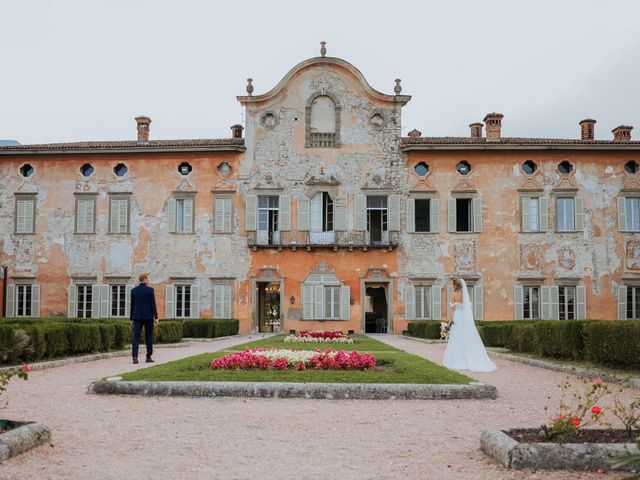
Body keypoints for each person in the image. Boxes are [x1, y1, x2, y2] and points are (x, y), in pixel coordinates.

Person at [443, 278, 496, 372]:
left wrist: (449, 322)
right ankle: (470, 358)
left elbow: (452, 310)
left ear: (455, 285)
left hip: (458, 317)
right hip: (465, 318)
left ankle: (459, 359)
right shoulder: (465, 295)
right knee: (467, 337)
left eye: (453, 284)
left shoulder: (454, 294)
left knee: (457, 338)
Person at [130, 273, 158, 364]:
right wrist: (156, 316)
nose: (148, 280)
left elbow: (132, 305)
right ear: (145, 279)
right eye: (147, 279)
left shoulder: (134, 291)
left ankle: (135, 357)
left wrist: (131, 318)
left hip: (137, 316)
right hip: (148, 316)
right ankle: (148, 357)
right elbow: (153, 304)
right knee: (148, 337)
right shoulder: (150, 290)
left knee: (136, 338)